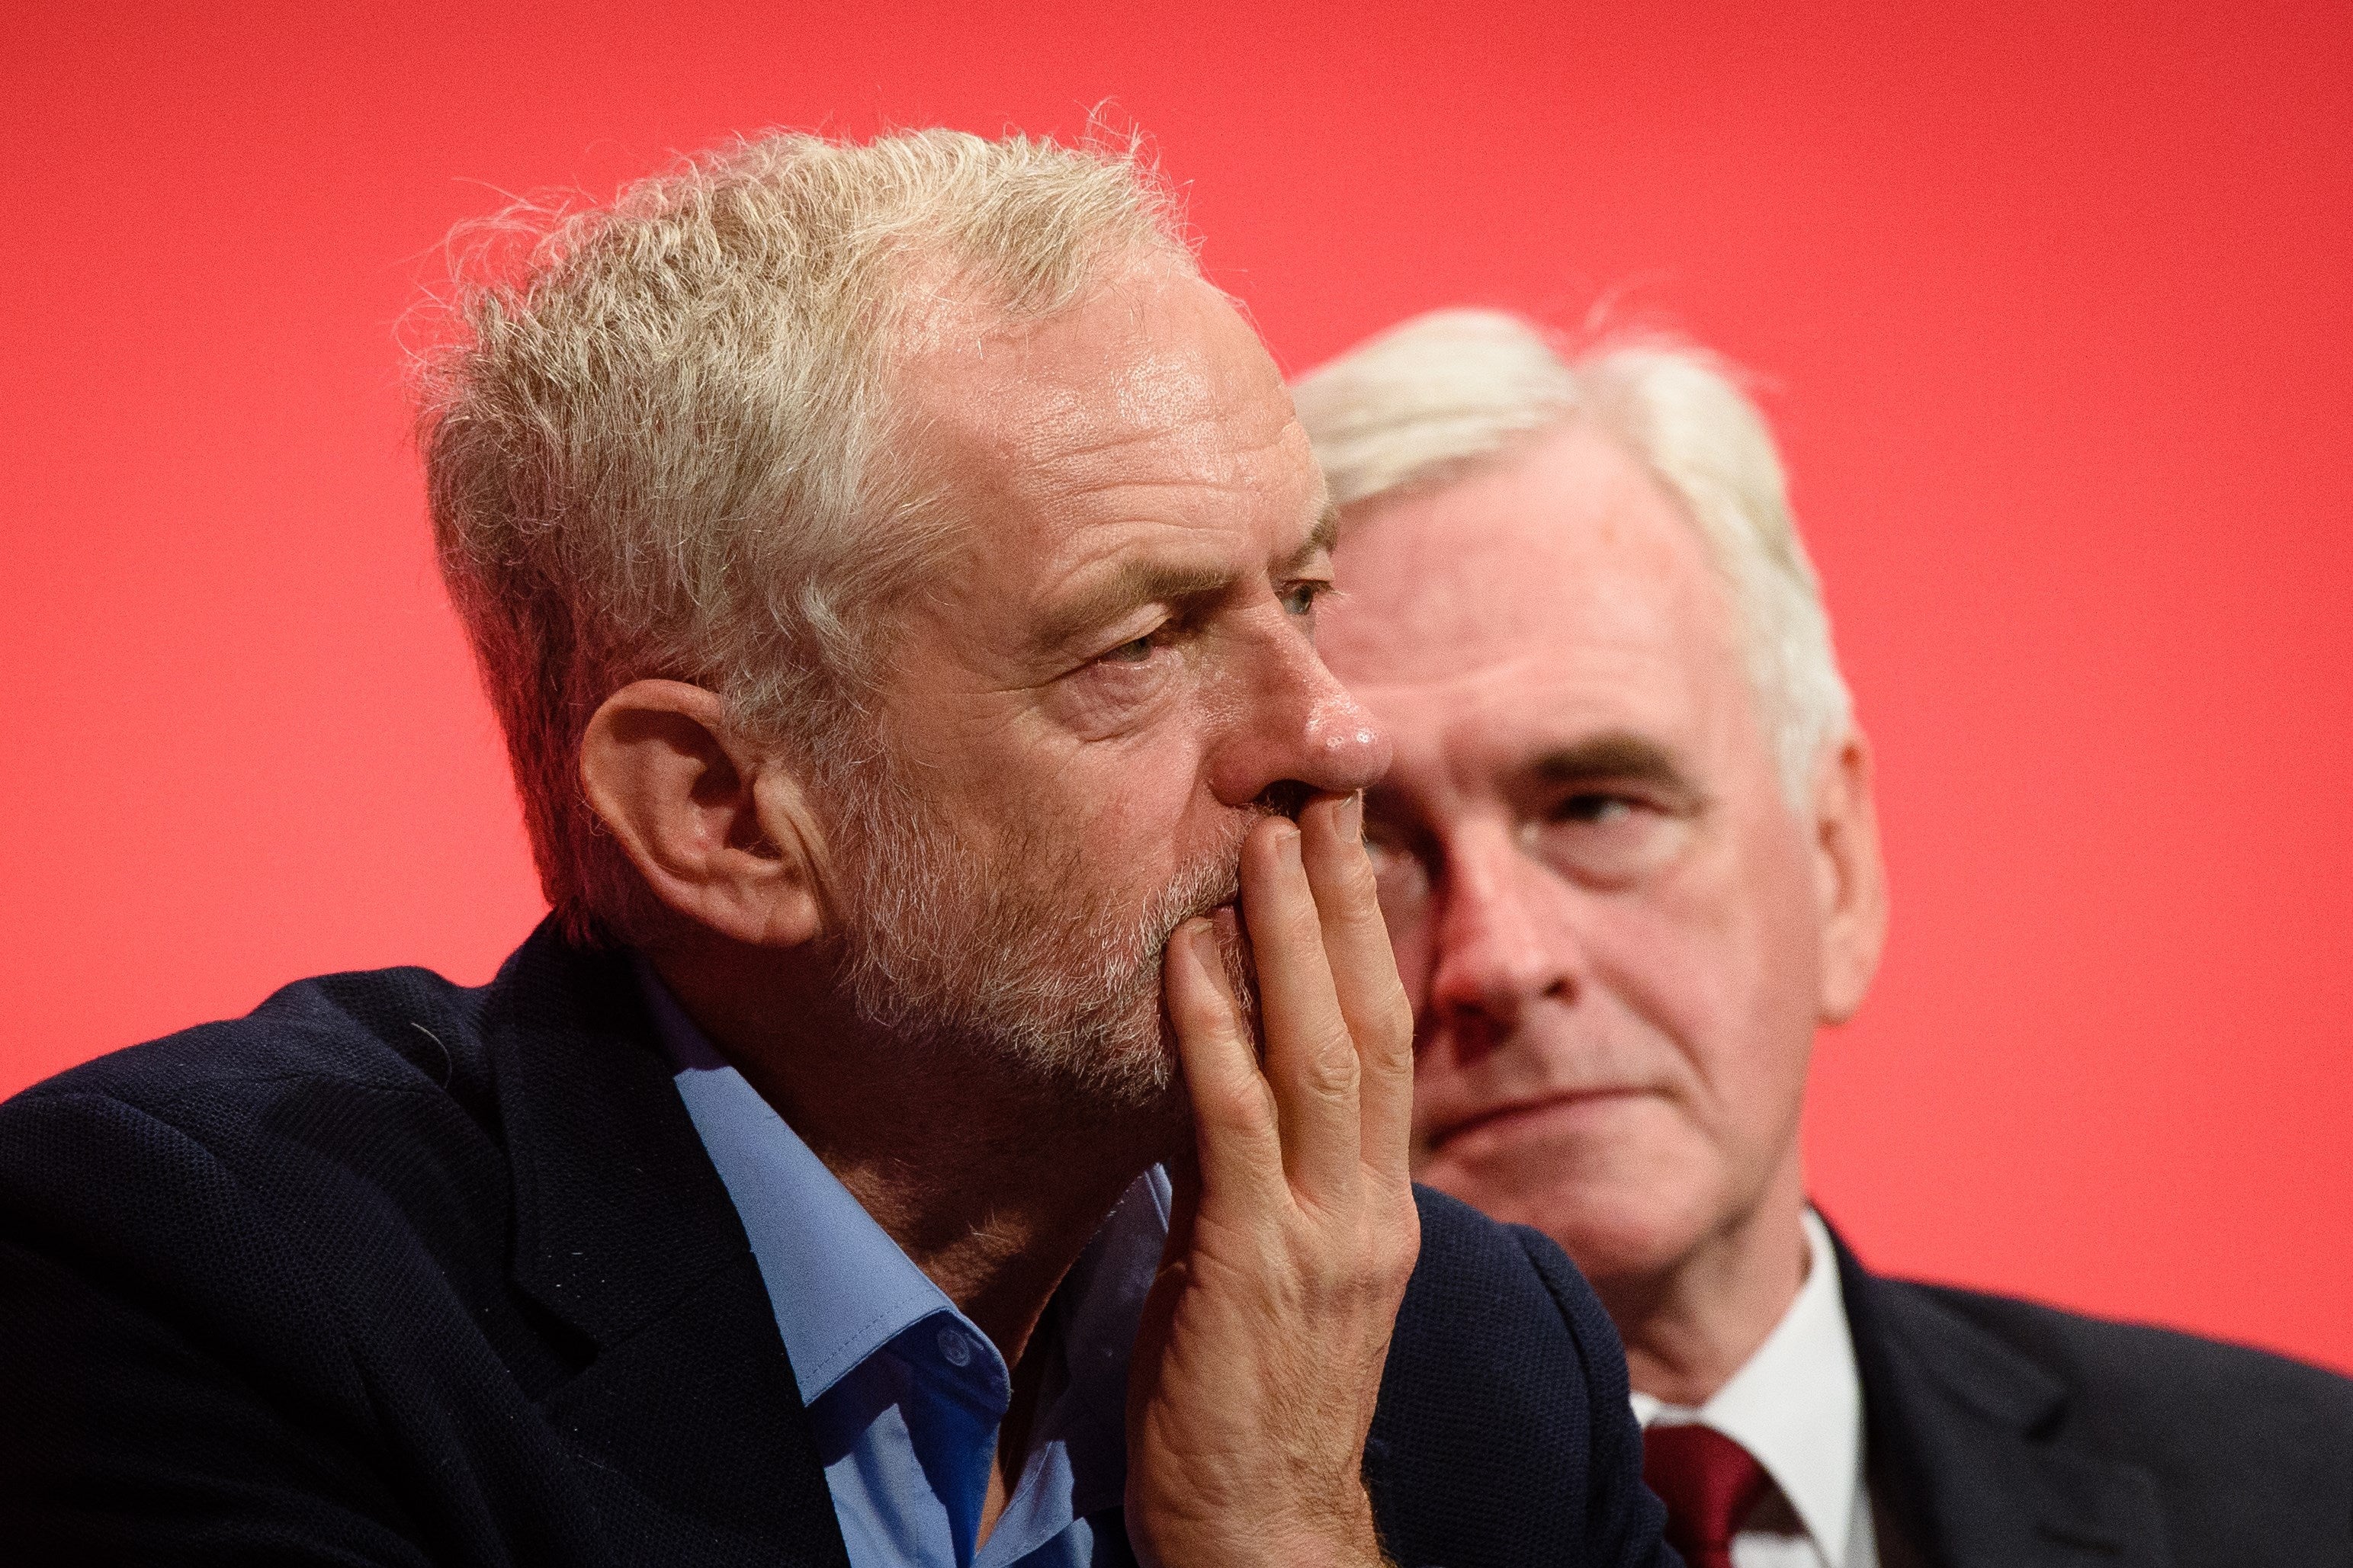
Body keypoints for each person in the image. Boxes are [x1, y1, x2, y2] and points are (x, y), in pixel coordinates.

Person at [0, 139, 1674, 1568]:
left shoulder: (1472, 1354)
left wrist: (1291, 1523)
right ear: (721, 817)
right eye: (1142, 643)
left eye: (1299, 595)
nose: (1334, 736)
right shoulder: (199, 1288)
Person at [1295, 308, 2353, 1568]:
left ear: (1836, 861)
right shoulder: (1113, 1528)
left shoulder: (2302, 1496)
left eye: (1596, 804)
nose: (1501, 960)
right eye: (1368, 848)